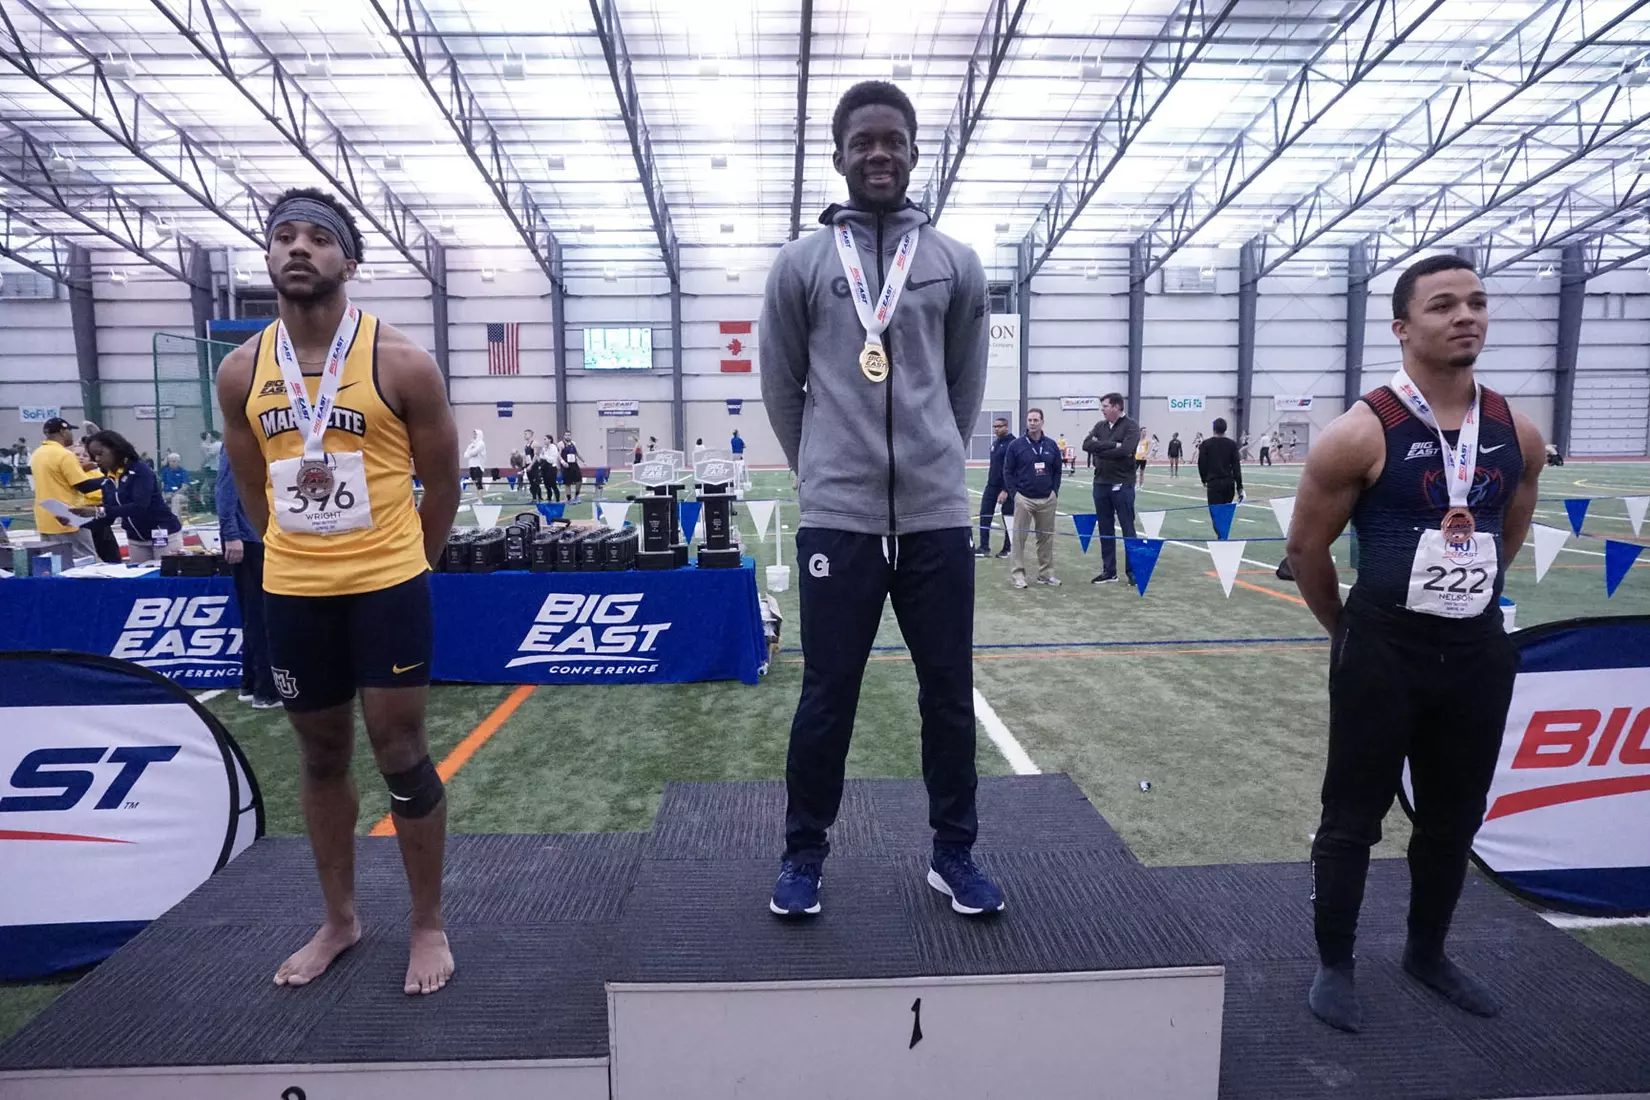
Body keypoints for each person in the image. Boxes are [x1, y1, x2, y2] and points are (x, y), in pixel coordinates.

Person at [759, 79, 1000, 920]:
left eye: (892, 139)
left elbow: (964, 385)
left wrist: (934, 456)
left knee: (947, 692)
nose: (879, 154)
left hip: (935, 514)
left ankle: (954, 854)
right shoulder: (800, 264)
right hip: (840, 516)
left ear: (913, 150)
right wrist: (823, 467)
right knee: (828, 695)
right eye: (863, 141)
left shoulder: (954, 263)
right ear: (840, 156)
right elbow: (781, 386)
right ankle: (803, 855)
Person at [1285, 254, 1544, 1034]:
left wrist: (1480, 601)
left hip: (1475, 655)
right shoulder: (1360, 432)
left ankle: (1426, 952)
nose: (1466, 316)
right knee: (1352, 816)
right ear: (1403, 328)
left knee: (1454, 814)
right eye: (1442, 306)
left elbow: (1509, 530)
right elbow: (1306, 549)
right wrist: (1349, 632)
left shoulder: (1515, 432)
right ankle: (1336, 961)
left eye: (1476, 302)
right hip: (1383, 650)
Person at [216, 186, 461, 996]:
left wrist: (406, 562)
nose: (297, 248)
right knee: (321, 754)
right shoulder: (242, 370)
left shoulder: (400, 362)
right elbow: (252, 489)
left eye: (316, 238)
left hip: (387, 584)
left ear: (347, 260)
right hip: (293, 589)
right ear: (268, 258)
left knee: (400, 749)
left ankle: (427, 924)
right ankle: (340, 919)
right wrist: (299, 549)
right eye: (281, 236)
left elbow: (443, 480)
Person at [215, 449, 279, 708]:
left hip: (256, 537)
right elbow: (224, 491)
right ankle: (265, 689)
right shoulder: (237, 444)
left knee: (256, 614)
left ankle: (251, 683)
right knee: (261, 614)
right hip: (250, 540)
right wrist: (231, 534)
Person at [78, 430, 183, 561]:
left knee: (165, 577)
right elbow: (109, 515)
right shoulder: (109, 478)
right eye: (94, 456)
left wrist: (98, 510)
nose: (97, 459)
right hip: (136, 539)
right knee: (139, 579)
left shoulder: (140, 471)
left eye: (100, 453)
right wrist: (79, 521)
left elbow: (139, 506)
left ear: (115, 449)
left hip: (163, 533)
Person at [1081, 393, 1140, 586]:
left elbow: (1126, 451)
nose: (1102, 409)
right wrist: (1112, 445)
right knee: (1105, 528)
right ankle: (1109, 571)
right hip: (1101, 483)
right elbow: (1087, 445)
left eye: (1105, 406)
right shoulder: (1100, 426)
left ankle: (1132, 571)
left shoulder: (1131, 426)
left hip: (1122, 483)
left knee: (1127, 528)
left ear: (1116, 407)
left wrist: (1101, 449)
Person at [1003, 408, 1061, 588]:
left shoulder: (1051, 445)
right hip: (1024, 498)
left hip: (1047, 499)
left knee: (1046, 538)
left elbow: (1057, 470)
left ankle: (1046, 574)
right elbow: (1007, 471)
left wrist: (1054, 492)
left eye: (1036, 420)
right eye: (1030, 420)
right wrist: (1015, 495)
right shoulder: (1016, 445)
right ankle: (1018, 575)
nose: (1032, 423)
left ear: (1042, 422)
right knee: (1019, 538)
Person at [28, 417, 100, 559]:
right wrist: (107, 480)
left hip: (45, 518)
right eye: (69, 431)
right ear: (62, 431)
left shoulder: (38, 453)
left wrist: (82, 469)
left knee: (56, 563)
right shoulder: (65, 455)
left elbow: (56, 478)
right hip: (68, 517)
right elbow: (83, 486)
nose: (71, 434)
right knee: (85, 560)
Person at [976, 415, 1014, 559]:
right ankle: (984, 547)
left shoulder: (1012, 443)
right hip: (991, 486)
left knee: (1008, 517)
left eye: (999, 426)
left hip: (1006, 488)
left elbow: (1011, 468)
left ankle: (1007, 548)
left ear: (1006, 427)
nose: (996, 429)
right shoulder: (996, 444)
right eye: (995, 427)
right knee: (985, 514)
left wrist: (1005, 489)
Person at [1197, 417, 1244, 507]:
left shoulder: (1206, 444)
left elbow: (1201, 464)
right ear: (1225, 429)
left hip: (1214, 483)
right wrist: (1239, 487)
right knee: (1225, 515)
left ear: (1214, 429)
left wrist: (1204, 479)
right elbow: (1236, 467)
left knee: (1216, 515)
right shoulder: (1232, 444)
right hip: (1229, 483)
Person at [160, 453, 191, 519]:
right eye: (170, 461)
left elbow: (184, 488)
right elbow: (162, 486)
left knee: (176, 498)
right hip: (167, 493)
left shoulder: (183, 472)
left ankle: (174, 519)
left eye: (174, 461)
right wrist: (163, 494)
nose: (171, 463)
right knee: (160, 499)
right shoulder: (165, 471)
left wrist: (174, 494)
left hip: (180, 495)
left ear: (178, 462)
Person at [560, 433, 584, 504]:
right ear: (564, 436)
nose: (568, 436)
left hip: (574, 465)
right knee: (567, 483)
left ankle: (577, 495)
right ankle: (569, 499)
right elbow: (558, 455)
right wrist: (563, 462)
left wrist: (583, 461)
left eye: (569, 435)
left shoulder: (573, 443)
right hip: (566, 465)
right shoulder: (561, 444)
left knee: (579, 480)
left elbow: (577, 453)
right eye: (566, 435)